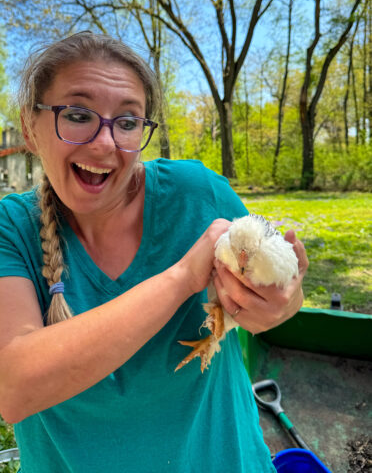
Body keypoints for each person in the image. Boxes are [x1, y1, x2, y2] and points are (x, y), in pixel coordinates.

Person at [0, 32, 308, 473]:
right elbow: (14, 389)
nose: (105, 143)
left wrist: (282, 301)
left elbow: (282, 300)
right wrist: (181, 278)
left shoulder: (198, 196)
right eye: (78, 114)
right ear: (31, 128)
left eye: (127, 122)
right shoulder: (12, 228)